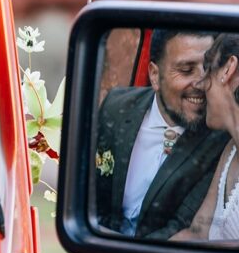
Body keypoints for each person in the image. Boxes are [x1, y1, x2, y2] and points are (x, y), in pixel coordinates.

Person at [95, 30, 231, 239]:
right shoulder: (116, 107)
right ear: (155, 76)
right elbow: (92, 194)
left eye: (207, 68)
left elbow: (182, 226)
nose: (201, 83)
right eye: (186, 70)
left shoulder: (219, 140)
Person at [172, 33, 239, 243]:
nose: (201, 85)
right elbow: (197, 233)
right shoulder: (231, 150)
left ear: (228, 69)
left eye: (208, 70)